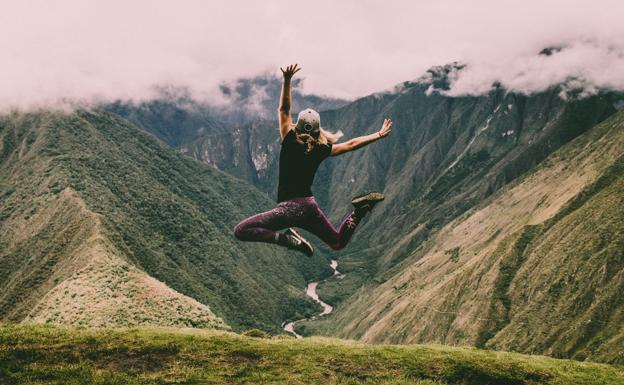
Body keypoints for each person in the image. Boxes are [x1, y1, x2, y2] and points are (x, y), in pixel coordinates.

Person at [233, 64, 393, 256]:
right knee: (337, 242)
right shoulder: (321, 148)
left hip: (288, 210)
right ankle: (359, 211)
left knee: (241, 231)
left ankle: (288, 240)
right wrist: (378, 134)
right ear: (318, 131)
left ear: (297, 126)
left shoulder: (290, 139)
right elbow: (350, 144)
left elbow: (284, 110)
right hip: (309, 207)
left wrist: (287, 80)